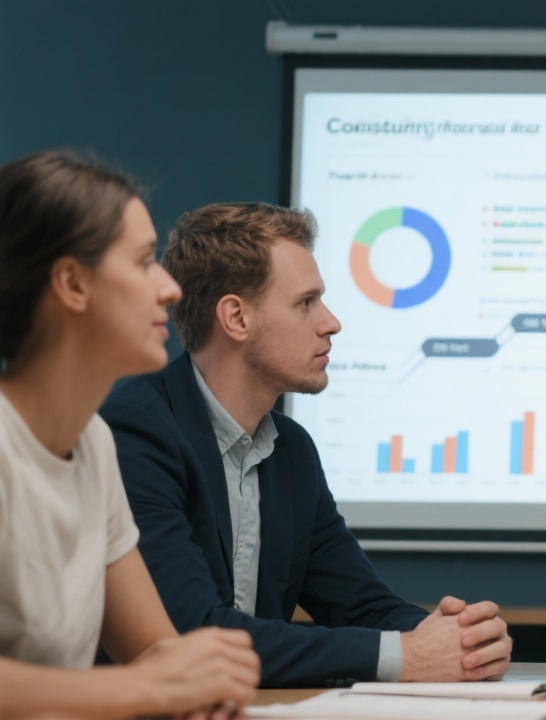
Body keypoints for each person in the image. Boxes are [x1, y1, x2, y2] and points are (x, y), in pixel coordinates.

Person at [99, 202, 512, 688]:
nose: (331, 322)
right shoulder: (135, 432)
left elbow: (360, 605)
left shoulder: (292, 449)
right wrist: (405, 656)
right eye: (306, 303)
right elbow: (189, 632)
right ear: (236, 317)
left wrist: (456, 641)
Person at [0, 151, 259, 719]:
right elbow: (150, 677)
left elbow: (152, 647)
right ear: (72, 282)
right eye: (145, 262)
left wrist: (200, 685)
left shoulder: (92, 442)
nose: (169, 288)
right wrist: (150, 689)